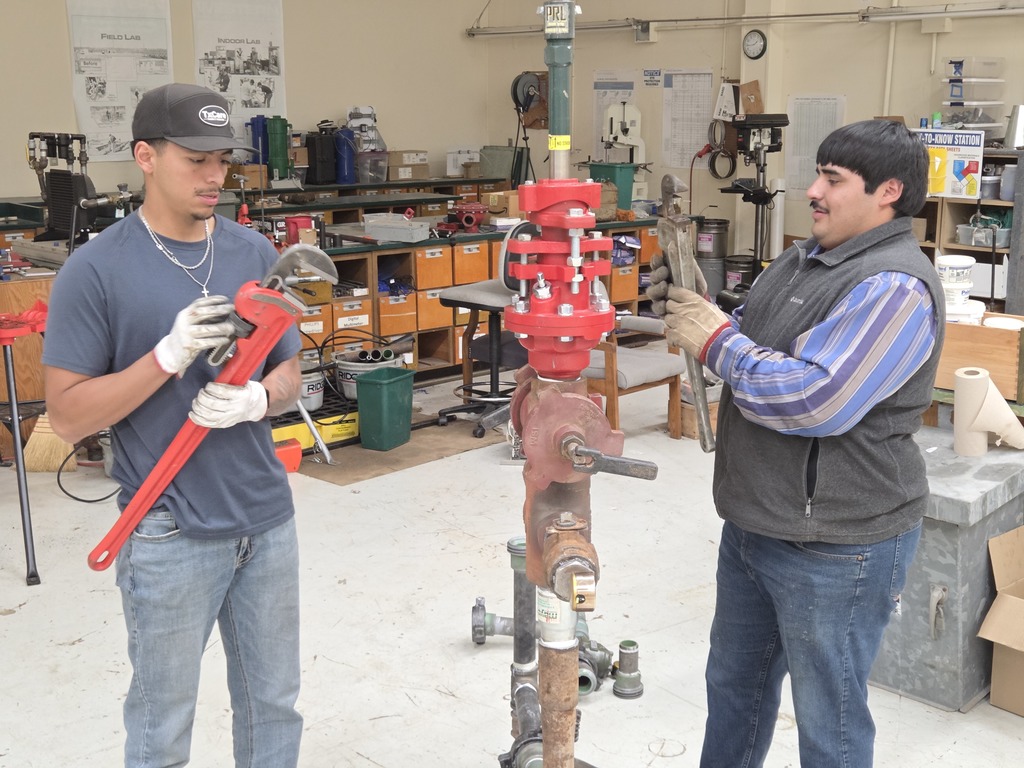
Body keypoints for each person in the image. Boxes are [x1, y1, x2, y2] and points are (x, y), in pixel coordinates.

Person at [648, 119, 945, 767]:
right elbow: (753, 337)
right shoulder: (802, 257)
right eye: (817, 175)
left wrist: (715, 341)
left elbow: (816, 398)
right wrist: (698, 305)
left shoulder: (892, 287)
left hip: (838, 545)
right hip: (757, 522)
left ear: (888, 191)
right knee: (734, 690)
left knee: (828, 723)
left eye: (832, 181)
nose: (812, 191)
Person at [42, 83, 304, 767]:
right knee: (162, 730)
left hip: (267, 520)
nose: (215, 176)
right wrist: (165, 356)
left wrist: (259, 398)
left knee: (274, 707)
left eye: (222, 160)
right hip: (168, 530)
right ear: (145, 157)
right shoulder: (94, 271)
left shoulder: (252, 251)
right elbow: (67, 418)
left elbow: (289, 374)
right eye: (196, 160)